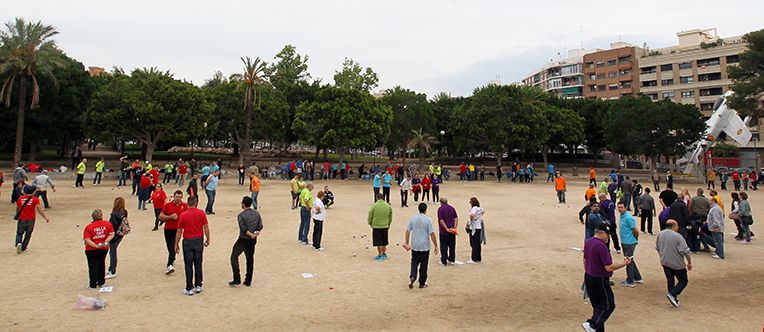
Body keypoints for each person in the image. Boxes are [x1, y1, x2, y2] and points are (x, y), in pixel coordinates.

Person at [582, 223, 631, 332]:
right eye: (608, 234)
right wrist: (624, 263)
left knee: (598, 308)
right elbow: (608, 267)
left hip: (589, 276)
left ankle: (596, 328)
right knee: (608, 305)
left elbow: (585, 260)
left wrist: (588, 271)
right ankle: (592, 324)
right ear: (602, 233)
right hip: (599, 279)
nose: (608, 237)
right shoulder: (601, 246)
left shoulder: (589, 242)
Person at [174, 196, 210, 295]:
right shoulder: (201, 213)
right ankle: (198, 284)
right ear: (196, 203)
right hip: (198, 240)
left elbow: (179, 231)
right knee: (198, 263)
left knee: (188, 265)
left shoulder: (183, 215)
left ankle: (189, 287)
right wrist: (208, 238)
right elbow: (205, 227)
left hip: (188, 241)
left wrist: (176, 244)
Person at [656, 220, 693, 308]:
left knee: (670, 280)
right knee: (683, 280)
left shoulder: (660, 234)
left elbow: (658, 248)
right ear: (674, 226)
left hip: (665, 261)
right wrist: (689, 262)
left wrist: (662, 257)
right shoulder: (678, 236)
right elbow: (685, 251)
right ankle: (673, 294)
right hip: (677, 263)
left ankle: (673, 298)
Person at [403, 203, 438, 289]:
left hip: (415, 244)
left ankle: (412, 276)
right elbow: (432, 233)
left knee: (414, 262)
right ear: (426, 209)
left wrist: (407, 242)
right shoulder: (428, 220)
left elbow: (407, 231)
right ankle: (422, 283)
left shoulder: (413, 218)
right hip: (425, 246)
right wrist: (436, 245)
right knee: (424, 265)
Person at [229, 196, 262, 287]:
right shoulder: (256, 214)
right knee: (250, 259)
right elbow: (260, 226)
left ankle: (237, 278)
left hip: (243, 239)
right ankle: (248, 280)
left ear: (243, 204)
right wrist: (255, 234)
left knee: (234, 257)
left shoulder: (241, 215)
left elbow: (243, 228)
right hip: (252, 240)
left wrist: (250, 234)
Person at [83, 209, 114, 290]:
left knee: (92, 266)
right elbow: (111, 234)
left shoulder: (89, 227)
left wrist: (95, 245)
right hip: (103, 248)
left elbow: (87, 239)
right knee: (101, 264)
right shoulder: (107, 224)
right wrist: (105, 241)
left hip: (91, 249)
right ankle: (101, 282)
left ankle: (93, 284)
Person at [159, 191, 188, 274]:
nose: (178, 199)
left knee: (173, 246)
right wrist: (170, 217)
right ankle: (173, 257)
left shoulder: (184, 206)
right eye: (177, 197)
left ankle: (169, 265)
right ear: (174, 197)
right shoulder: (167, 205)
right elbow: (160, 216)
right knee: (169, 246)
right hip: (168, 229)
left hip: (178, 230)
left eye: (180, 197)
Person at [14, 186, 50, 254]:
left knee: (19, 233)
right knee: (28, 234)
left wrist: (17, 214)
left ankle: (18, 243)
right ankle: (24, 247)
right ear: (33, 192)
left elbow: (17, 207)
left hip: (22, 218)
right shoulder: (35, 199)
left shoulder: (21, 198)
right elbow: (39, 210)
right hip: (31, 219)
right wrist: (45, 217)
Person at [617, 202, 642, 288]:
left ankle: (630, 280)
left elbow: (635, 230)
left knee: (628, 261)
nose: (620, 209)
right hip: (625, 241)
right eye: (618, 207)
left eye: (621, 207)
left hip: (629, 242)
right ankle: (637, 277)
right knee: (630, 259)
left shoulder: (628, 217)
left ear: (625, 207)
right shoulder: (622, 216)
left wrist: (635, 240)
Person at [106, 197, 128, 279]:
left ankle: (113, 270)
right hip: (121, 234)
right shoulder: (124, 212)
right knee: (113, 252)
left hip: (114, 235)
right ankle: (111, 268)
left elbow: (111, 225)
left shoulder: (114, 214)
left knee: (112, 253)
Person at [368, 193, 393, 261]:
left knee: (378, 241)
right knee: (384, 240)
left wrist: (370, 223)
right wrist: (389, 223)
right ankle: (384, 253)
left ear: (377, 198)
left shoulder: (374, 206)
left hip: (376, 225)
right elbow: (390, 215)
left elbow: (370, 215)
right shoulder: (388, 206)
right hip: (385, 225)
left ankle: (380, 254)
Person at [437, 197, 459, 266]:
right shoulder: (452, 208)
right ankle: (452, 259)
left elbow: (441, 220)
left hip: (444, 231)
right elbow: (456, 218)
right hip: (452, 230)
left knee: (444, 246)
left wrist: (446, 228)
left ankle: (444, 260)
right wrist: (455, 227)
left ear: (441, 202)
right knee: (452, 246)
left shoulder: (440, 209)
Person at [688, 188, 711, 253]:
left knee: (694, 230)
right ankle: (703, 245)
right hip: (703, 216)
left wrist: (691, 212)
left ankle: (695, 245)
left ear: (697, 192)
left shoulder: (694, 198)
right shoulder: (706, 200)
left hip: (695, 215)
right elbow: (709, 207)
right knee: (701, 230)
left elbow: (690, 206)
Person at [466, 197, 485, 264]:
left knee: (473, 243)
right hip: (479, 227)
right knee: (477, 243)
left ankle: (473, 259)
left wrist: (472, 221)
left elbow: (472, 215)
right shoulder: (480, 209)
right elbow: (483, 211)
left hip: (474, 228)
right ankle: (478, 257)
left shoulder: (474, 208)